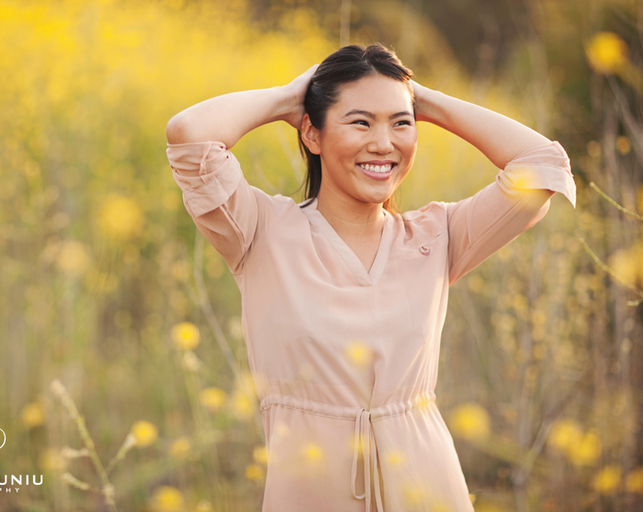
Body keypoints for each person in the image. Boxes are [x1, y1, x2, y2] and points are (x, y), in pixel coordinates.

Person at [165, 43, 576, 512]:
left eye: (400, 123)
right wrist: (288, 97)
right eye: (361, 122)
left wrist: (424, 101)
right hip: (310, 492)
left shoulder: (438, 236)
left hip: (428, 488)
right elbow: (189, 134)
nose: (384, 144)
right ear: (312, 135)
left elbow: (542, 163)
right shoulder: (260, 231)